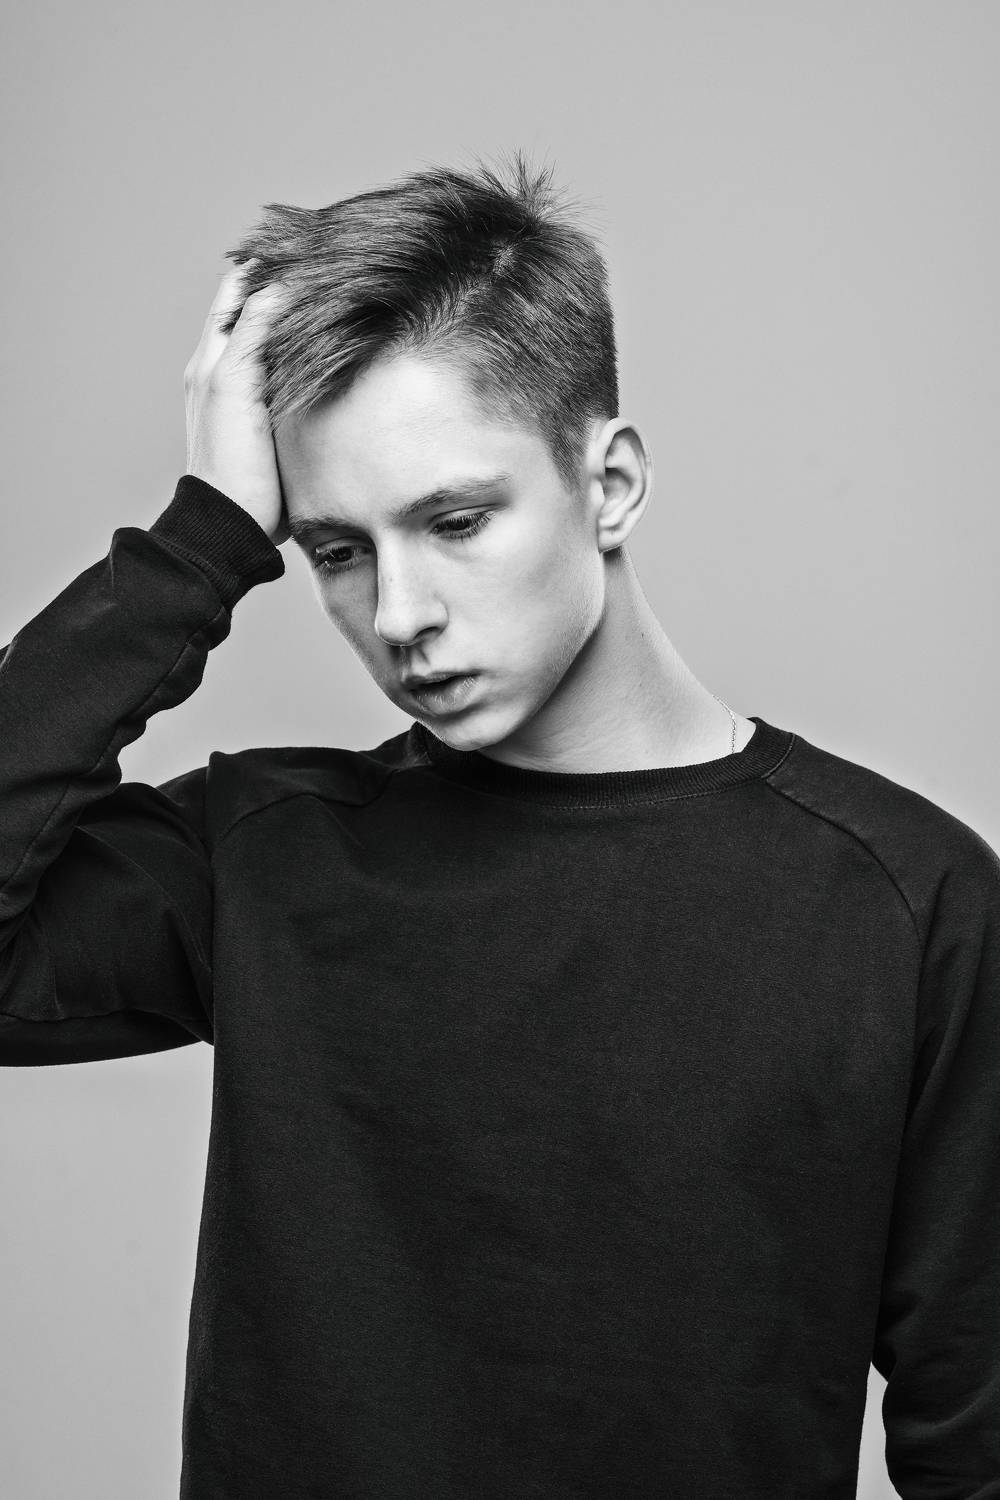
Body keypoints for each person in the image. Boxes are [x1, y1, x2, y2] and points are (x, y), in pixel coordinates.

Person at [1, 150, 997, 1500]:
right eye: (336, 550)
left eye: (456, 521)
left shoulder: (908, 902)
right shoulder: (266, 853)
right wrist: (201, 541)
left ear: (611, 482)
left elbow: (975, 1435)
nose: (398, 613)